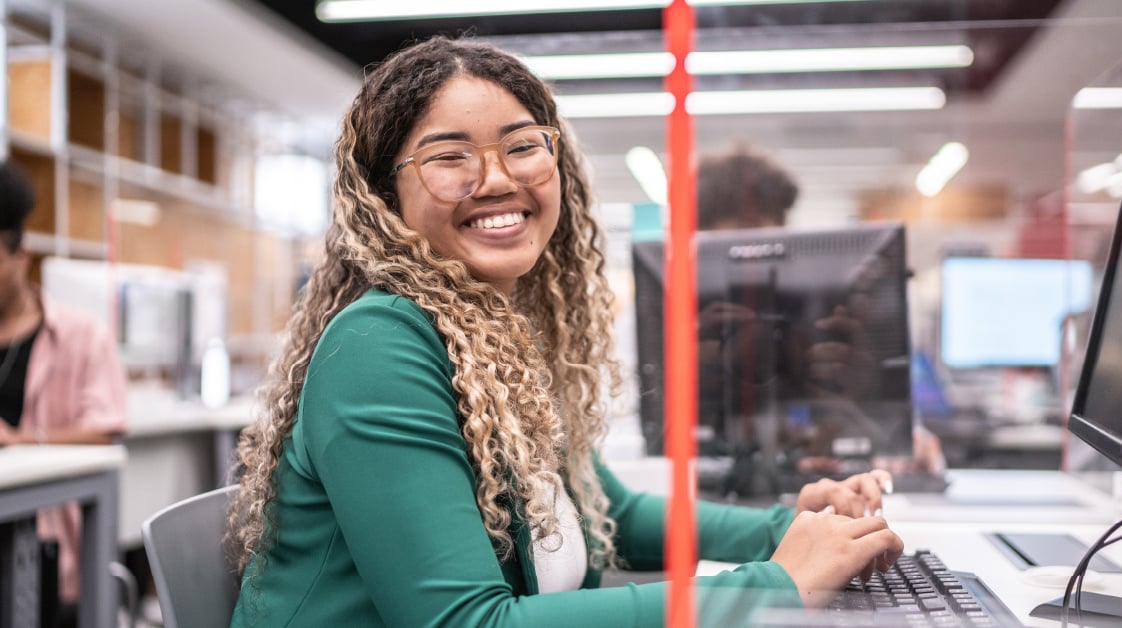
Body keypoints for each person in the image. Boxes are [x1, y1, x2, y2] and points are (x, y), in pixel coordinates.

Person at [226, 36, 904, 627]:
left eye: (522, 146)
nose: (496, 178)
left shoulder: (494, 336)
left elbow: (611, 511)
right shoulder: (381, 345)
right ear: (384, 199)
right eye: (449, 156)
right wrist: (776, 586)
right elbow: (464, 623)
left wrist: (790, 531)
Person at [695, 146, 946, 478]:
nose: (758, 249)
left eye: (772, 229)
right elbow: (629, 437)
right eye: (743, 232)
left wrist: (898, 438)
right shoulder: (674, 321)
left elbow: (887, 429)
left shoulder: (825, 307)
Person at [0, 160, 128, 625]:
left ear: (21, 257)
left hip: (48, 554)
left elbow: (107, 430)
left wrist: (22, 439)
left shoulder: (79, 335)